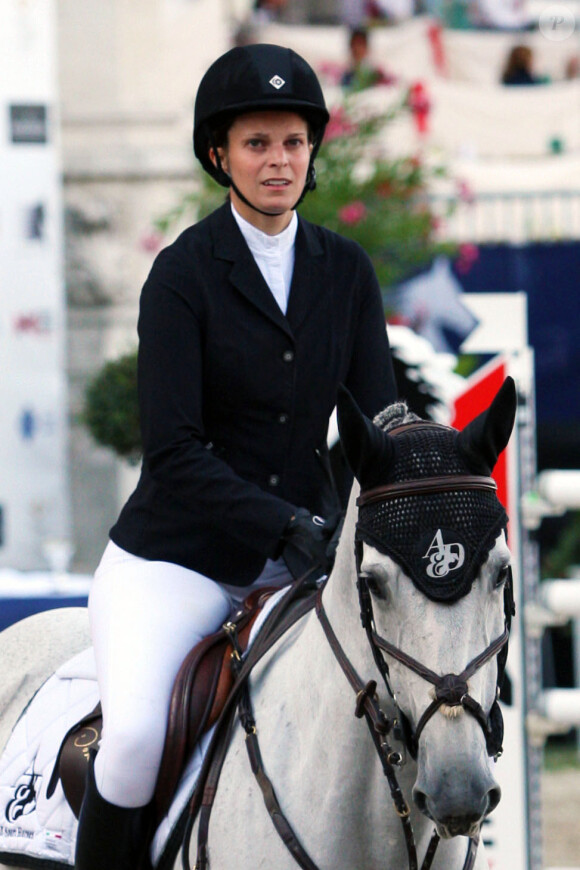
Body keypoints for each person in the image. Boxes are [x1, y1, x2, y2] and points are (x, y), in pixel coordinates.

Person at [74, 43, 396, 870]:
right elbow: (174, 452)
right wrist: (283, 522)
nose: (278, 161)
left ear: (312, 150)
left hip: (305, 559)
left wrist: (420, 481)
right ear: (219, 154)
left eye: (292, 142)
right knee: (139, 737)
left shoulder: (347, 272)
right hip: (177, 561)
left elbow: (376, 420)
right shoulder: (182, 275)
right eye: (257, 143)